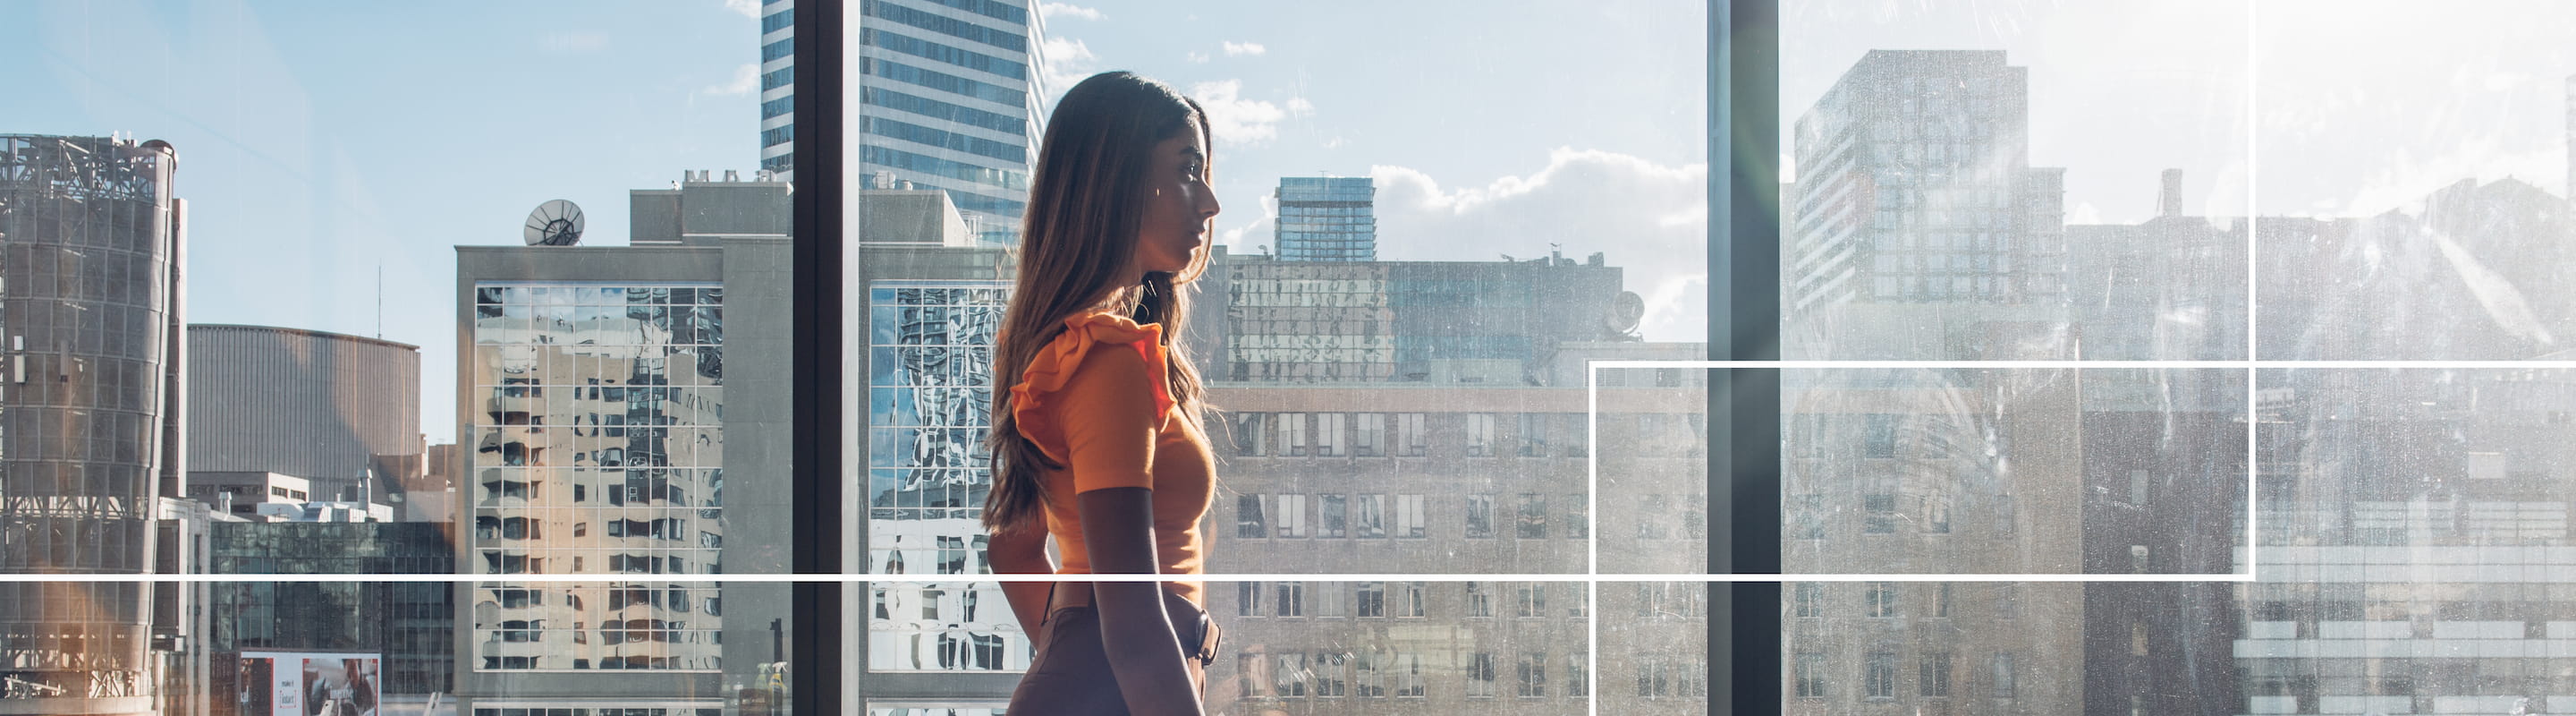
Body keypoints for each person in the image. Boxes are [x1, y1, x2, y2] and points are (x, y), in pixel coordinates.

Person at [983, 70, 1224, 716]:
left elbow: (1012, 546)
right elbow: (1139, 631)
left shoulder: (1075, 354)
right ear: (1114, 182)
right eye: (1186, 170)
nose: (1209, 201)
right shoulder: (1105, 359)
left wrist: (1072, 656)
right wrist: (1083, 658)